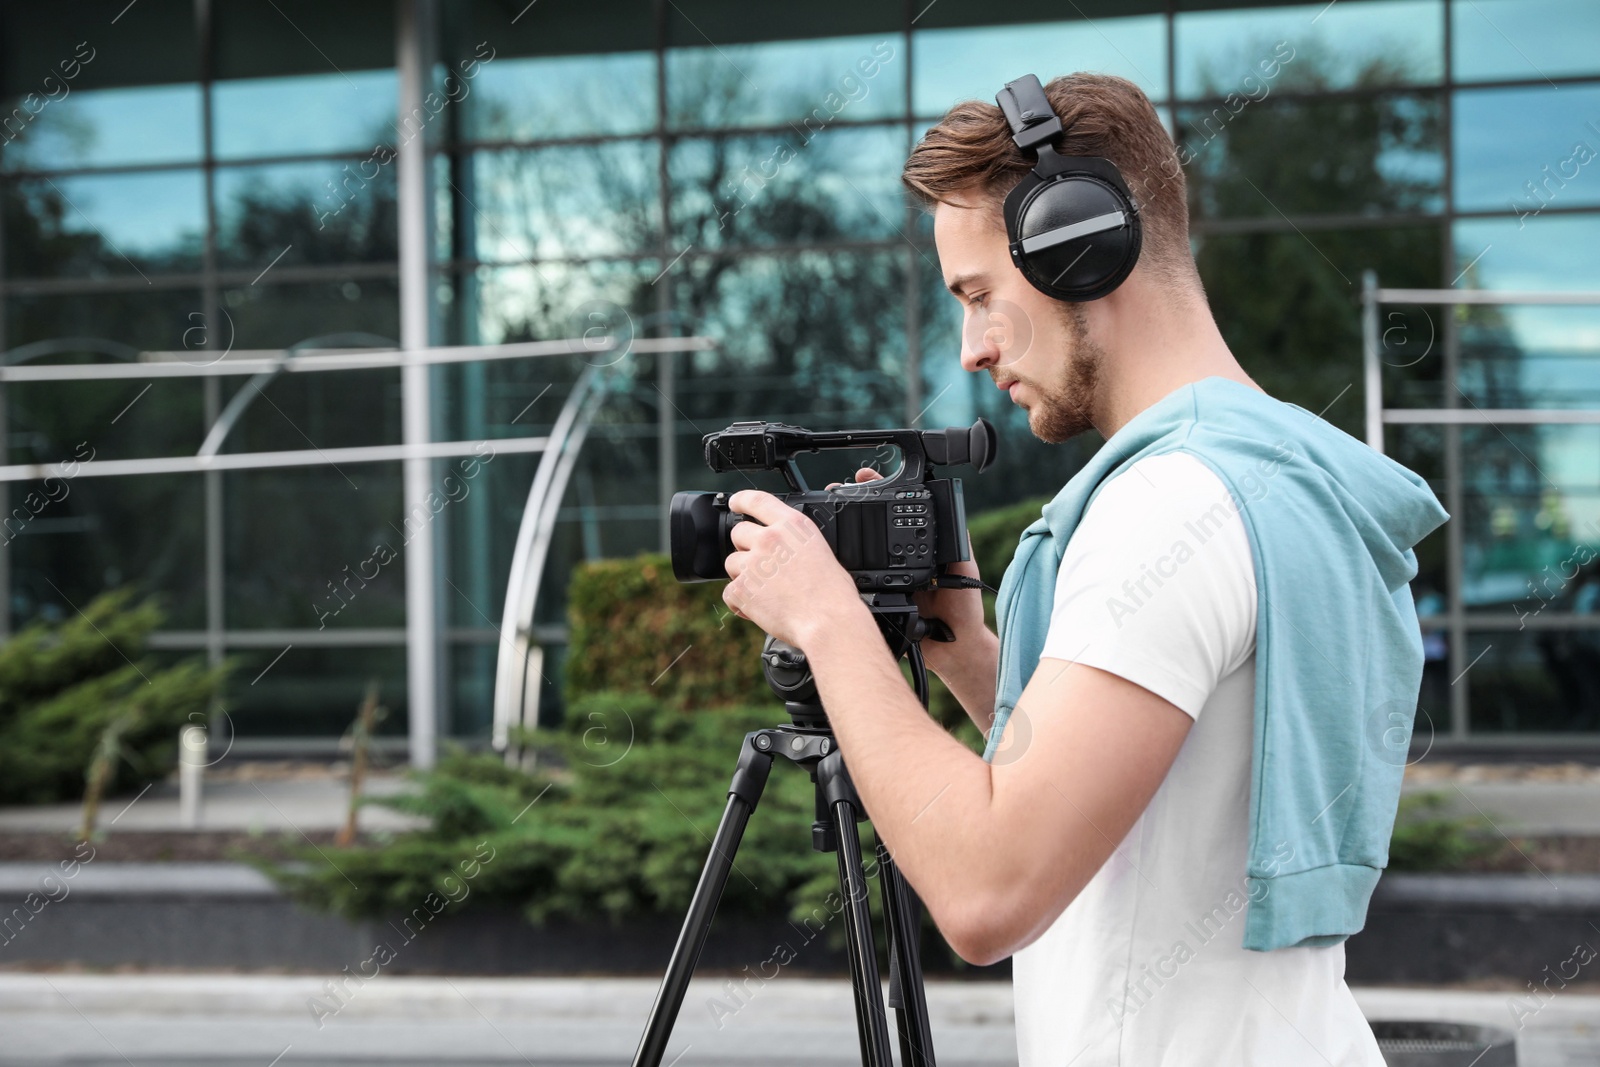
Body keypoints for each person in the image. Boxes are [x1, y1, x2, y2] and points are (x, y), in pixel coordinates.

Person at [718, 72, 1445, 1066]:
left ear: (1078, 246)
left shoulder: (1168, 507)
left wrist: (826, 620)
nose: (971, 349)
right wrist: (964, 646)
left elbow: (988, 890)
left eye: (978, 297)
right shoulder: (1280, 476)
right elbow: (1139, 798)